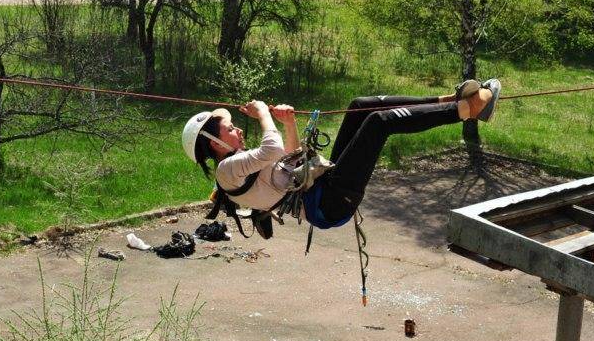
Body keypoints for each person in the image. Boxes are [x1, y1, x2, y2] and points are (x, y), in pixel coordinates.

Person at [182, 79, 501, 236]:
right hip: (329, 202)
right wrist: (264, 113)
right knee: (378, 123)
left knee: (360, 106)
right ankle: (467, 109)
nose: (238, 129)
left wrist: (288, 123)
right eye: (229, 128)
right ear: (213, 143)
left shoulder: (240, 163)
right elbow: (274, 149)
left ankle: (446, 101)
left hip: (325, 187)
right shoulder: (226, 171)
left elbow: (290, 157)